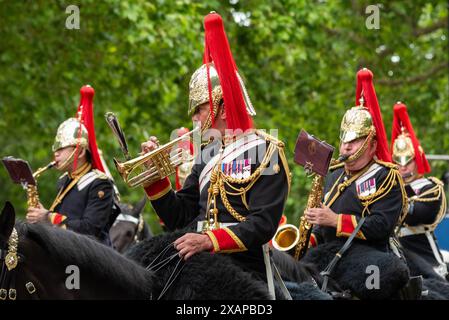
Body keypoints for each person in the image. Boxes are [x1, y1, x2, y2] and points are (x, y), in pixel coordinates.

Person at [140, 13, 290, 282]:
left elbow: (263, 224)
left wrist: (210, 241)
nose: (194, 118)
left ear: (221, 106)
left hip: (242, 264)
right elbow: (180, 218)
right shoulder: (208, 153)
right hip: (196, 257)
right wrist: (155, 180)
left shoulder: (266, 150)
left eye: (199, 109)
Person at [304, 69, 414, 298]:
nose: (346, 146)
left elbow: (381, 226)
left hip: (367, 253)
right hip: (327, 251)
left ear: (372, 144)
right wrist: (309, 235)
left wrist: (335, 220)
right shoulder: (332, 172)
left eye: (355, 141)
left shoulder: (387, 176)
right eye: (345, 139)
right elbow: (320, 221)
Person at [26, 85, 116, 246]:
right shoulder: (65, 180)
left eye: (61, 149)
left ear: (80, 152)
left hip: (92, 262)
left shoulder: (100, 183)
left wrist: (47, 217)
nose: (56, 154)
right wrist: (42, 217)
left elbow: (90, 230)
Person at [391, 101, 447, 278]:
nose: (403, 167)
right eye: (398, 162)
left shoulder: (431, 188)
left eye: (408, 161)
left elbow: (417, 214)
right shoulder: (391, 189)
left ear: (418, 160)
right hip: (396, 263)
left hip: (426, 262)